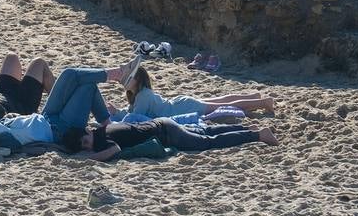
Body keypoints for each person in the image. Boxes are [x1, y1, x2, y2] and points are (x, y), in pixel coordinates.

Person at [39, 53, 146, 141]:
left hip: (44, 117)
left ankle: (119, 74)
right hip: (56, 130)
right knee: (89, 85)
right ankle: (119, 74)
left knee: (69, 74)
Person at [62, 117, 278, 160]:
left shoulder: (103, 138)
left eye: (84, 141)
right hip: (164, 125)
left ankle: (257, 135)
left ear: (87, 132)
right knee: (205, 133)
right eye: (84, 146)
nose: (87, 146)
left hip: (166, 133)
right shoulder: (103, 129)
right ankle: (246, 127)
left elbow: (114, 150)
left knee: (206, 143)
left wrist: (90, 157)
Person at [123, 66, 276, 118]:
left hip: (182, 108)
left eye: (128, 79)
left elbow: (134, 118)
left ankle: (263, 102)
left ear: (137, 80)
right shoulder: (142, 93)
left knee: (223, 105)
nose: (124, 82)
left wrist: (116, 113)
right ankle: (253, 97)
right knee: (219, 101)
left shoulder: (142, 96)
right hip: (180, 104)